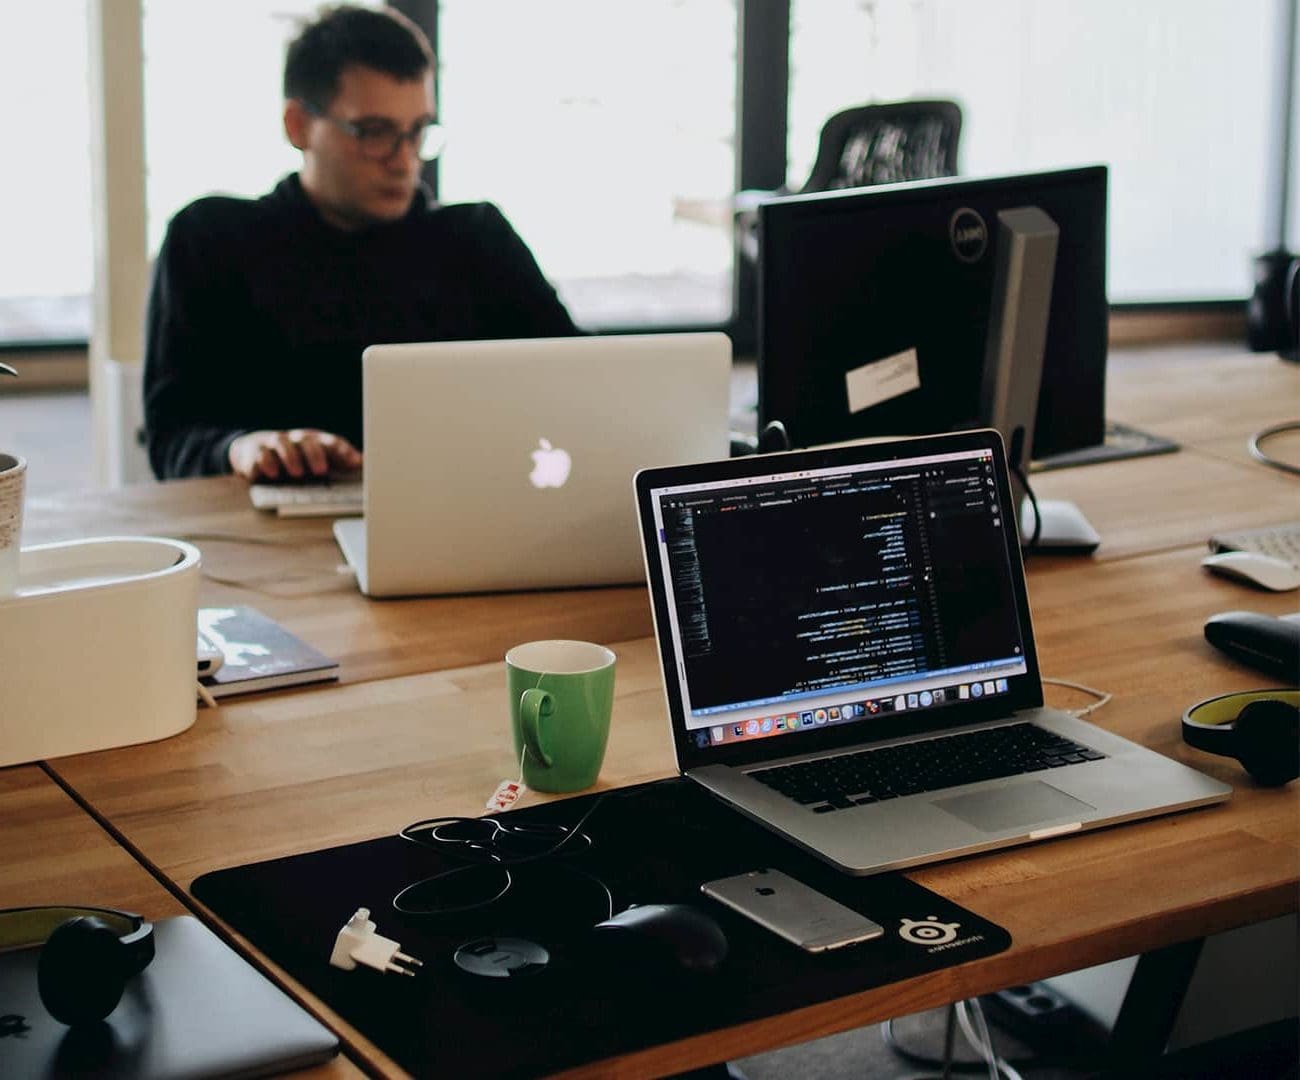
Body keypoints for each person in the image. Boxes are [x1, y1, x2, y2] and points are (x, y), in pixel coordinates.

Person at [143, 4, 578, 481]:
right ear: (298, 125)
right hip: (267, 537)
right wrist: (243, 448)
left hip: (460, 519)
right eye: (375, 133)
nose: (404, 161)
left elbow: (583, 383)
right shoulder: (210, 241)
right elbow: (172, 440)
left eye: (417, 133)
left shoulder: (479, 240)